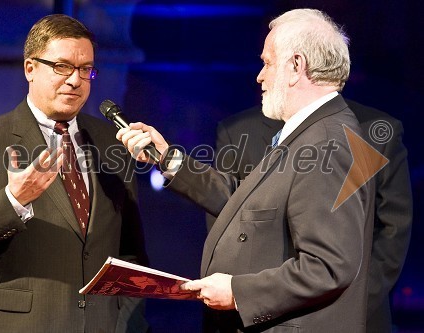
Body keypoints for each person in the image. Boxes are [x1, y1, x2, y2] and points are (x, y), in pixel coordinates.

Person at [117, 8, 376, 332]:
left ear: (296, 66)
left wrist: (237, 292)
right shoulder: (315, 132)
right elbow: (245, 204)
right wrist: (168, 159)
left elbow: (329, 267)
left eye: (267, 63)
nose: (259, 76)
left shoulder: (329, 141)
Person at [0, 14, 149, 333]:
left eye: (85, 70)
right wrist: (14, 200)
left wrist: (125, 320)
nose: (75, 80)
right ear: (30, 68)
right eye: (62, 66)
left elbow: (130, 250)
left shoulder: (111, 142)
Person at [208, 101, 413, 333]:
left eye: (267, 63)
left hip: (353, 312)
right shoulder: (237, 130)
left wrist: (350, 299)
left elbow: (392, 228)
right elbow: (229, 213)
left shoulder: (378, 130)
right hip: (253, 316)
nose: (260, 76)